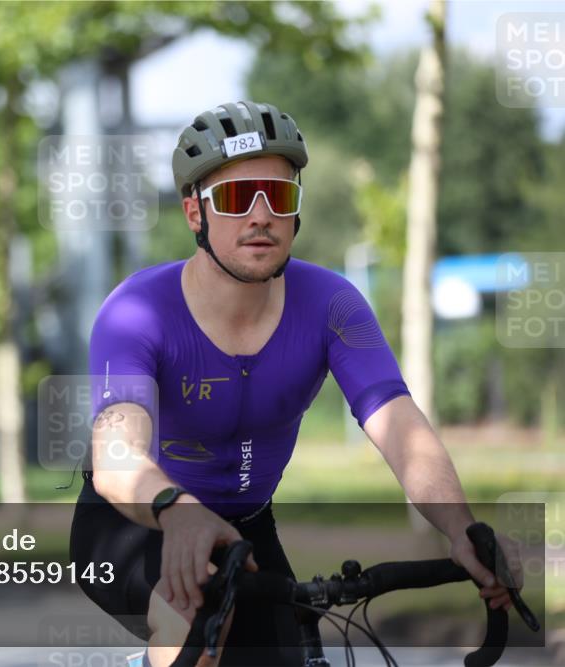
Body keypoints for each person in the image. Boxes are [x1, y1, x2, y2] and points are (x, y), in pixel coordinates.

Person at [69, 101, 520, 667]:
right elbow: (116, 456)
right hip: (135, 522)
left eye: (278, 197)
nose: (261, 216)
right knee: (194, 627)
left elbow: (400, 426)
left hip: (247, 528)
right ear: (194, 213)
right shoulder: (137, 312)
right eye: (237, 198)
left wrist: (462, 528)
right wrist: (175, 509)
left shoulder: (332, 305)